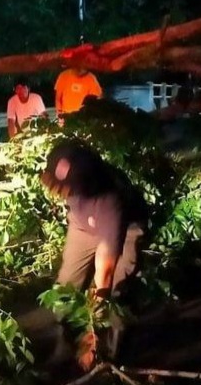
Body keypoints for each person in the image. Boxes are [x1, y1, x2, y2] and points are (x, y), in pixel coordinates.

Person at [40, 141, 147, 368]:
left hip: (124, 230)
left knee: (115, 291)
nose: (62, 193)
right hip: (83, 226)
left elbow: (104, 268)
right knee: (66, 285)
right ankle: (66, 345)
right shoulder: (67, 174)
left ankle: (112, 358)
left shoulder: (108, 198)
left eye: (67, 188)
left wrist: (94, 318)